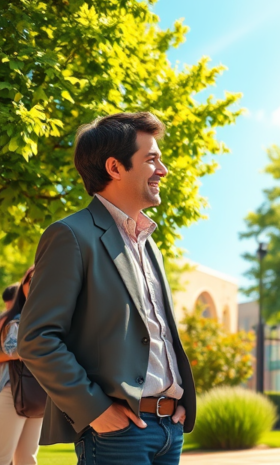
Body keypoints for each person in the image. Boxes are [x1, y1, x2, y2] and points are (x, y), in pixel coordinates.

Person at [18, 112, 196, 465]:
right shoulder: (70, 235)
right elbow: (37, 338)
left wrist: (178, 406)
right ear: (115, 167)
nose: (163, 170)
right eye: (151, 159)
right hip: (117, 434)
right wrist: (96, 410)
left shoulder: (150, 246)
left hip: (168, 428)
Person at [0, 267, 43, 464]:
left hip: (38, 394)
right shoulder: (10, 320)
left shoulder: (50, 319)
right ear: (23, 285)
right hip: (10, 391)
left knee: (27, 458)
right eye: (31, 280)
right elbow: (11, 350)